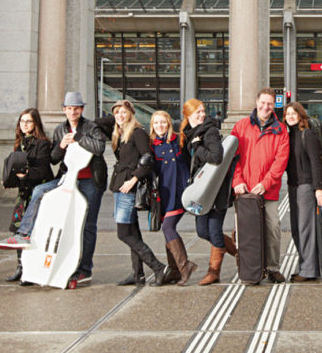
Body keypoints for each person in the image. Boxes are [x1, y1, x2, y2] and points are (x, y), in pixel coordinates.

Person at [0, 91, 107, 288]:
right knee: (40, 191)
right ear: (64, 109)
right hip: (66, 178)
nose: (72, 112)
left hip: (90, 180)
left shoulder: (91, 127)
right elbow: (54, 158)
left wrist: (79, 137)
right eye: (69, 108)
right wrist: (62, 146)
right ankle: (24, 233)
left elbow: (99, 148)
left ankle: (85, 269)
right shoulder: (59, 129)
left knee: (87, 226)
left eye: (76, 108)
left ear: (81, 109)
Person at [97, 100, 171, 286]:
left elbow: (148, 159)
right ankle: (137, 274)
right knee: (133, 232)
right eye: (116, 113)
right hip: (119, 186)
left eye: (124, 112)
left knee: (123, 233)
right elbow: (97, 123)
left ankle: (158, 267)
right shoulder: (119, 134)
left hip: (127, 187)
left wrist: (134, 179)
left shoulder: (137, 133)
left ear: (131, 113)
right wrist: (116, 117)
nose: (120, 116)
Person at [232, 88, 291, 283]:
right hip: (246, 191)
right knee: (246, 232)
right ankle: (250, 267)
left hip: (268, 190)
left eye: (270, 104)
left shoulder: (281, 130)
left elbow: (280, 161)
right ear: (256, 102)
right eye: (263, 103)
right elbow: (234, 158)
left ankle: (273, 267)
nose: (265, 107)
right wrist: (237, 181)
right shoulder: (240, 127)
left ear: (274, 106)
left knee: (273, 228)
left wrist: (266, 183)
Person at [182, 98, 238, 286]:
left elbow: (216, 157)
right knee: (202, 231)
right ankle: (239, 251)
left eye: (202, 111)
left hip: (214, 191)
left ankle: (214, 272)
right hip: (200, 191)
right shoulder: (190, 133)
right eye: (197, 112)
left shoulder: (209, 131)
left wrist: (197, 147)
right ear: (188, 115)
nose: (201, 114)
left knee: (213, 231)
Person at [2, 108, 53, 284]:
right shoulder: (20, 142)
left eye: (28, 121)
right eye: (22, 121)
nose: (24, 124)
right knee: (18, 231)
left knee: (34, 233)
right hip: (23, 193)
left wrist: (26, 174)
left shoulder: (43, 144)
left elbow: (42, 171)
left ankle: (32, 270)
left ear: (35, 123)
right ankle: (21, 267)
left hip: (38, 192)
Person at [149, 109, 197, 285]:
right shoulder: (152, 145)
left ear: (169, 123)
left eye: (163, 122)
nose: (160, 126)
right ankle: (176, 270)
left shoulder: (179, 139)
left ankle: (185, 267)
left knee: (168, 227)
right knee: (167, 228)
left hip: (182, 192)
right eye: (156, 123)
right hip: (165, 193)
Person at [283, 102, 322, 283]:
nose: (291, 117)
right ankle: (306, 265)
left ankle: (309, 269)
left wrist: (319, 188)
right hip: (293, 185)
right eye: (288, 114)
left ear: (301, 116)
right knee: (296, 228)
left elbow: (316, 163)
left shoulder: (306, 134)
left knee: (305, 228)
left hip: (306, 186)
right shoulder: (288, 136)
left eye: (294, 113)